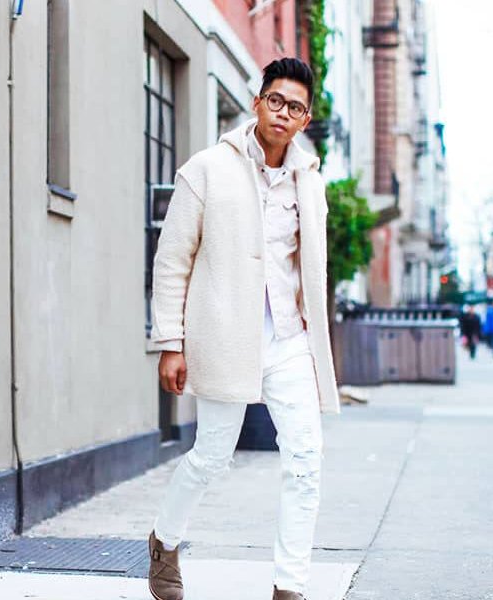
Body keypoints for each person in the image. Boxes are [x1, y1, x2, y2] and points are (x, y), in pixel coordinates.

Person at [147, 58, 340, 600]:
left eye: (295, 107)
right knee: (211, 455)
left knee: (305, 461)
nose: (283, 113)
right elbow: (172, 260)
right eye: (275, 101)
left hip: (290, 340)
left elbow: (311, 269)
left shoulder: (311, 183)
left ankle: (289, 586)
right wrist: (170, 343)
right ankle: (165, 540)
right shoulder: (207, 169)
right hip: (226, 337)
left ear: (305, 119)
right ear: (257, 102)